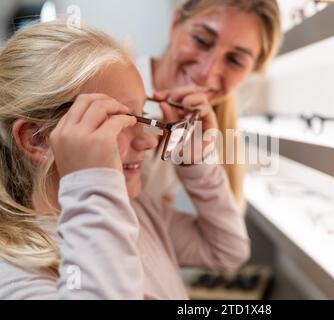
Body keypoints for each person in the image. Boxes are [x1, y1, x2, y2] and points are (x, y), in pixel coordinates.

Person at [0, 20, 249, 299]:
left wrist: (195, 160)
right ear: (37, 139)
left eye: (143, 115)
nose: (150, 141)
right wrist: (91, 183)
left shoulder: (137, 209)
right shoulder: (14, 273)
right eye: (118, 120)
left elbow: (226, 250)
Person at [138, 0, 282, 211]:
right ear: (175, 24)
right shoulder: (106, 89)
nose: (206, 73)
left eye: (234, 60)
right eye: (201, 40)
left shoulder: (200, 135)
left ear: (250, 72)